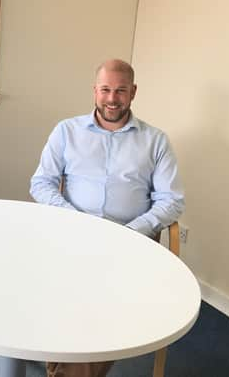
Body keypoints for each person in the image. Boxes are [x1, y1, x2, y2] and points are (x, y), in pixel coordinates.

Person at [29, 59, 185, 377]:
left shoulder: (155, 140)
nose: (112, 98)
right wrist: (73, 219)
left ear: (133, 92)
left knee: (99, 311)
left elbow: (172, 201)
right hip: (71, 235)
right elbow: (41, 182)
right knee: (61, 295)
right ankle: (57, 359)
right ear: (95, 90)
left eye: (120, 90)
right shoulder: (66, 131)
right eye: (105, 90)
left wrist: (131, 231)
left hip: (129, 242)